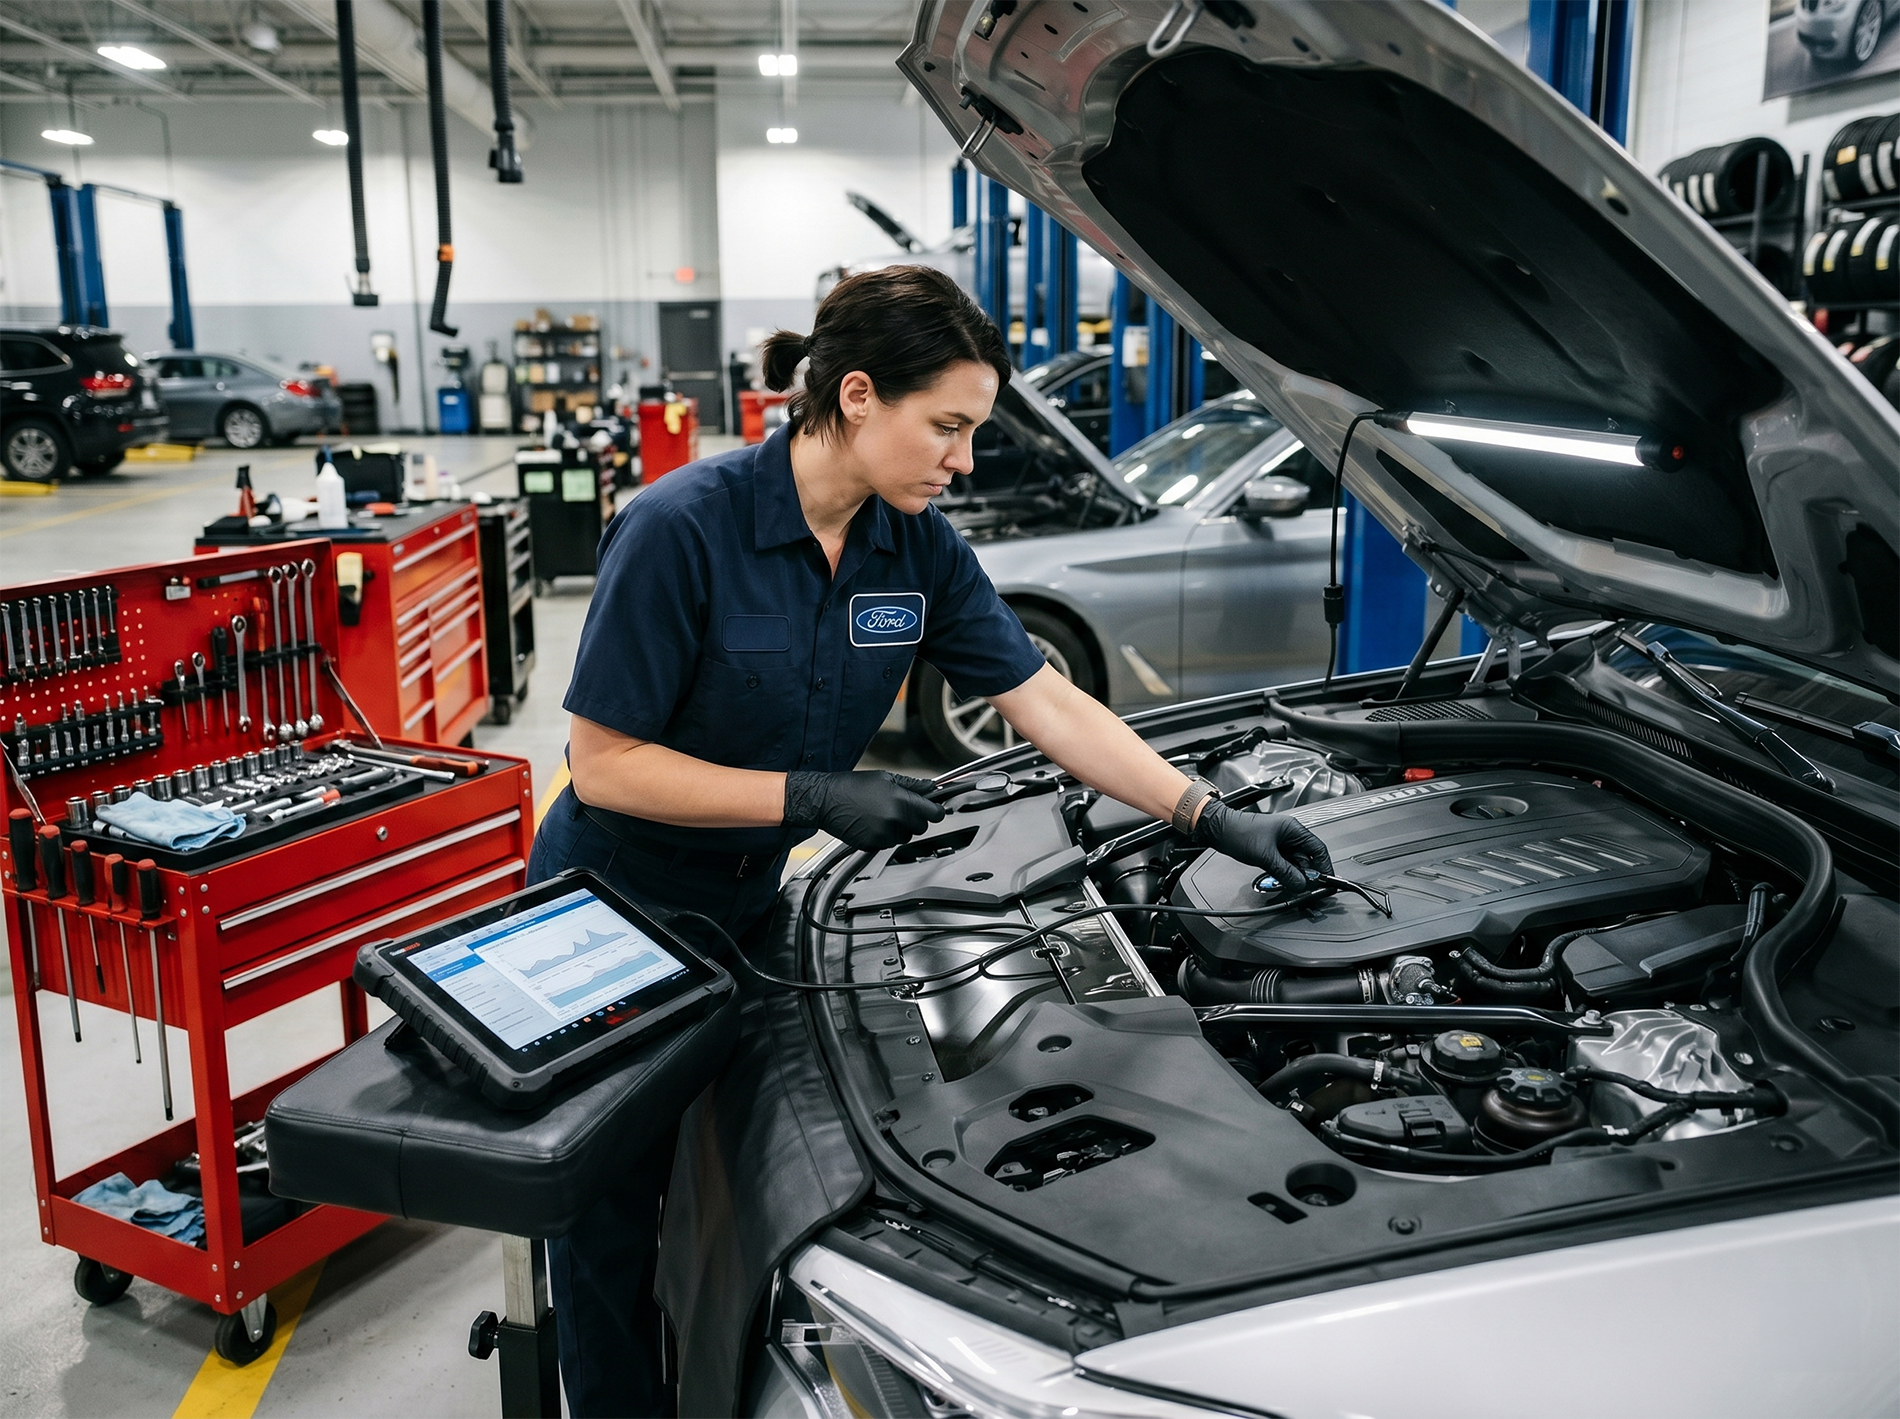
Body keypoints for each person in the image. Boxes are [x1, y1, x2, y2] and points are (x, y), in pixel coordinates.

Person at [524, 264, 1331, 1418]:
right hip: (616, 911)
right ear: (857, 396)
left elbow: (1047, 704)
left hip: (749, 905)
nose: (960, 461)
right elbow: (606, 766)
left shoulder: (916, 549)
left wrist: (1205, 814)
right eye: (945, 427)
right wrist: (807, 794)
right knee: (607, 1218)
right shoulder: (679, 531)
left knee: (725, 1169)